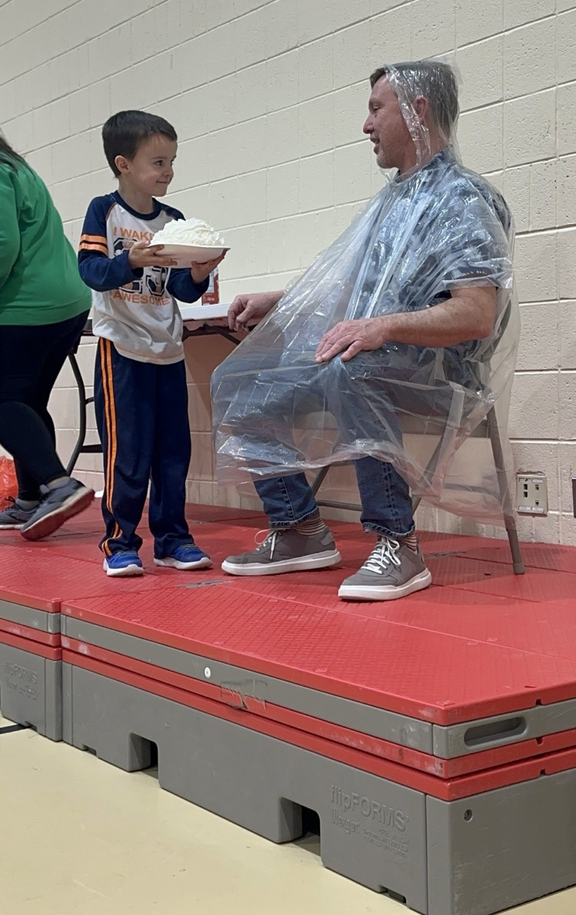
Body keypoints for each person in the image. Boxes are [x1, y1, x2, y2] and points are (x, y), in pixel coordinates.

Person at [211, 60, 516, 602]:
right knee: (241, 381)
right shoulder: (393, 201)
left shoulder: (462, 200)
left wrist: (383, 328)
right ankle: (300, 528)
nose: (366, 125)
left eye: (377, 109)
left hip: (441, 368)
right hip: (376, 353)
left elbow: (476, 314)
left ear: (417, 111)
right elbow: (355, 295)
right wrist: (281, 301)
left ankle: (399, 543)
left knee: (354, 366)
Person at [78, 110, 224, 577]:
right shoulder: (104, 211)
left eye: (172, 161)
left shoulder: (174, 220)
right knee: (128, 451)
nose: (168, 172)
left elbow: (179, 289)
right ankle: (119, 542)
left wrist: (199, 272)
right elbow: (91, 272)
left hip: (167, 348)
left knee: (172, 451)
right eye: (158, 162)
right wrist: (131, 260)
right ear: (123, 164)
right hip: (121, 347)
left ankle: (172, 538)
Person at [0, 133, 94, 539]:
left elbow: (3, 245)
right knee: (27, 401)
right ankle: (30, 499)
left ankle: (58, 485)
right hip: (66, 302)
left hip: (28, 305)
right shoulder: (16, 167)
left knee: (3, 398)